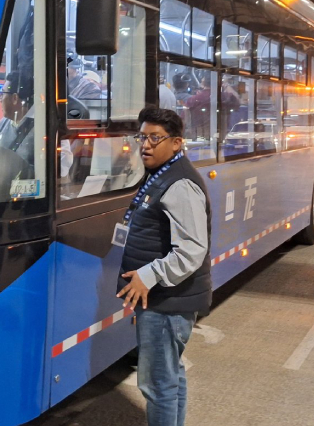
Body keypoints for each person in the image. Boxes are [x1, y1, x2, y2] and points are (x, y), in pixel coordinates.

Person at [116, 107, 211, 426]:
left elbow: (192, 249)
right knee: (170, 378)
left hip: (168, 302)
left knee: (157, 385)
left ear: (176, 143)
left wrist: (149, 274)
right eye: (142, 137)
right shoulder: (162, 175)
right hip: (164, 299)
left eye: (155, 138)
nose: (146, 145)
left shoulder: (180, 184)